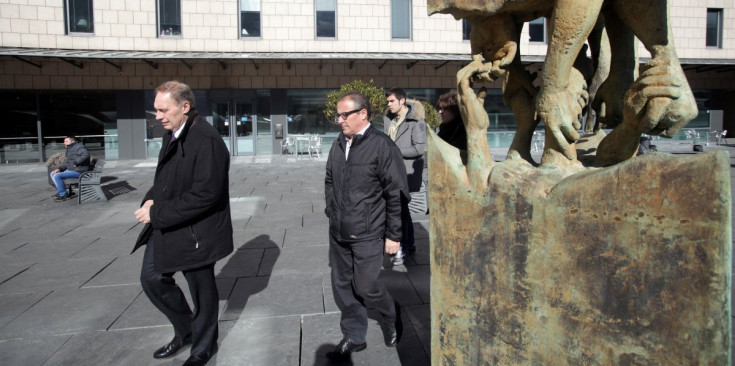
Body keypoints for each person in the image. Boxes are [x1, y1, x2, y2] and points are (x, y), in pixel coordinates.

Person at [133, 81, 233, 366]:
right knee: (152, 279)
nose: (158, 116)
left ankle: (203, 346)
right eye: (156, 110)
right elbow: (165, 179)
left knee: (201, 291)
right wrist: (151, 199)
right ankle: (187, 330)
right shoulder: (172, 133)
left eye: (164, 110)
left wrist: (157, 213)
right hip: (168, 223)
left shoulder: (207, 139)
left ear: (184, 107)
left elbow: (206, 195)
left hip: (197, 232)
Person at [325, 91, 408, 359]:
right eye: (337, 115)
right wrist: (332, 211)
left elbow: (395, 193)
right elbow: (330, 180)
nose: (339, 120)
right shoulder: (339, 143)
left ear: (363, 114)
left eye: (344, 114)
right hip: (339, 232)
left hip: (368, 233)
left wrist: (393, 235)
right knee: (343, 287)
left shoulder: (382, 146)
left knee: (367, 286)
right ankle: (354, 335)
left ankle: (390, 315)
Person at [383, 87, 426, 265]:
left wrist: (394, 150)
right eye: (388, 102)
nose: (389, 105)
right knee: (401, 209)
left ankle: (401, 246)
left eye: (392, 101)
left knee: (398, 208)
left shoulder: (416, 122)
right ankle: (409, 243)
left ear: (402, 101)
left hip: (406, 172)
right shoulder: (388, 119)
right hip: (389, 171)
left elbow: (419, 148)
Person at [50, 135, 90, 202]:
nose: (64, 143)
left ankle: (64, 195)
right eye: (64, 141)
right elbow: (68, 162)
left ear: (72, 141)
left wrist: (76, 162)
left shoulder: (78, 147)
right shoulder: (70, 148)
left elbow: (86, 154)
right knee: (53, 173)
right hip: (73, 169)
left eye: (66, 141)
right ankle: (61, 191)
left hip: (79, 170)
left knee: (57, 176)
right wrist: (60, 169)